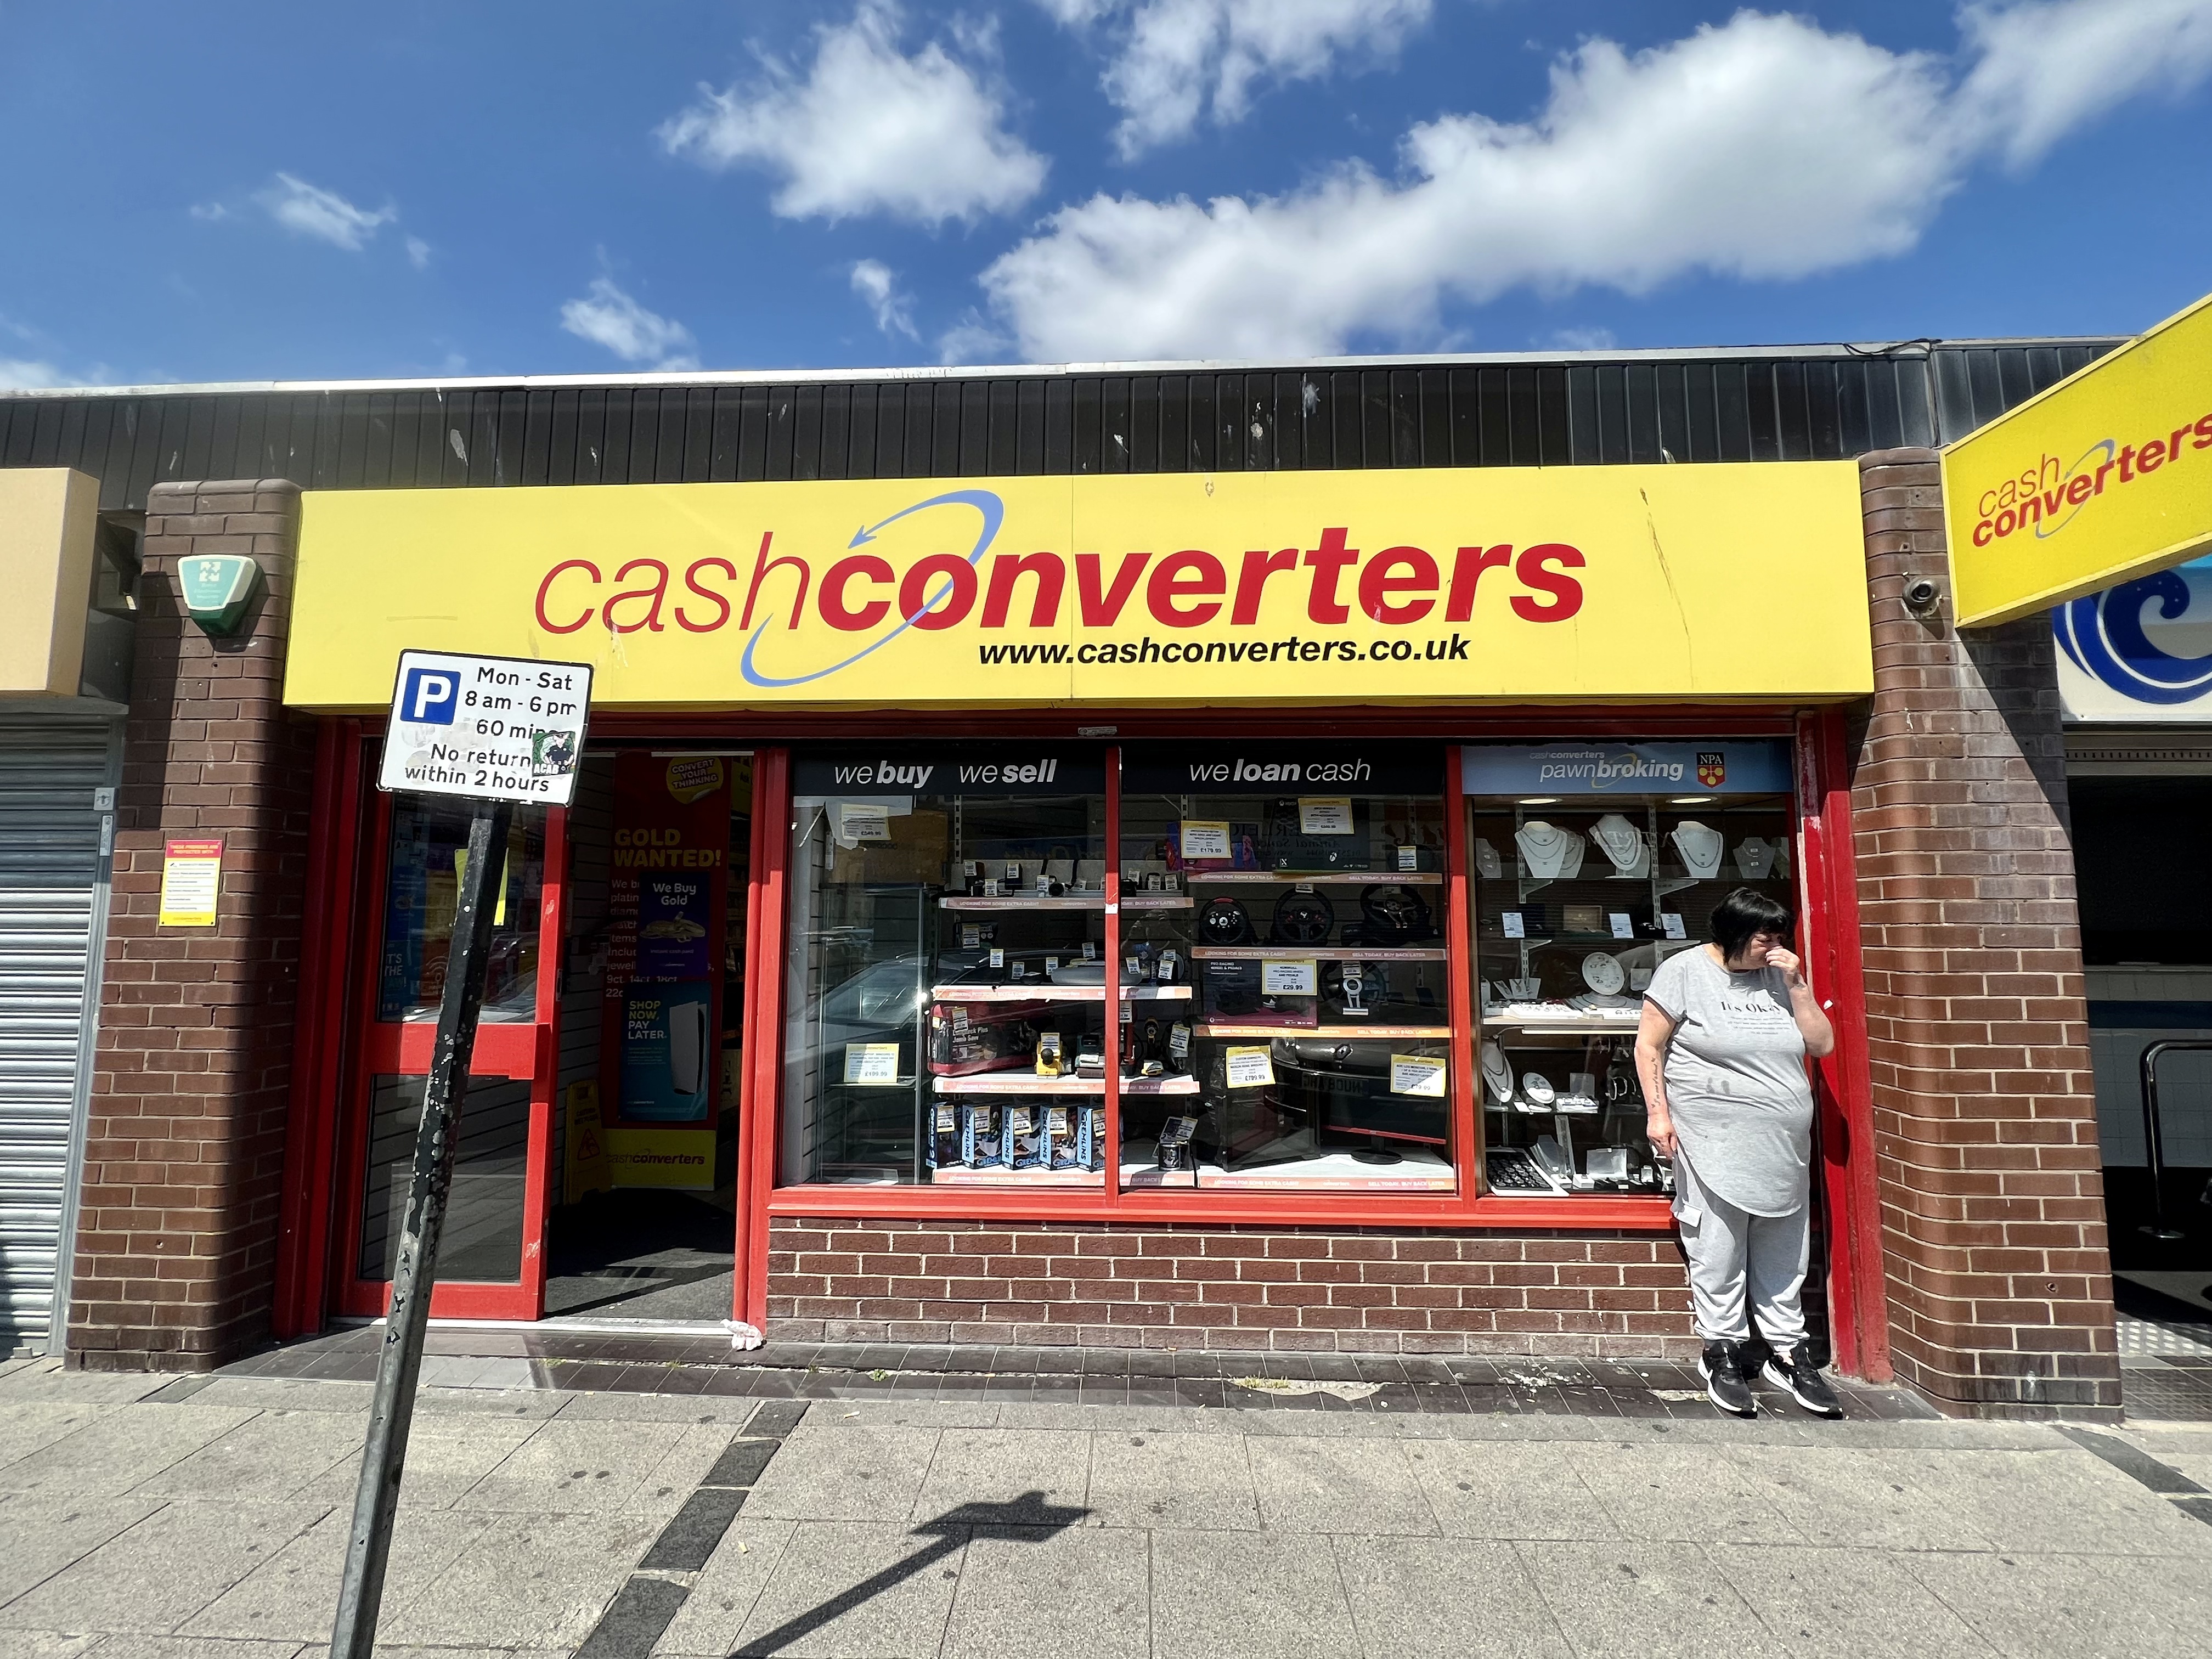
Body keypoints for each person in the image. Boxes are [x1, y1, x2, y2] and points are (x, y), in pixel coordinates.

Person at [1634, 887, 1841, 1418]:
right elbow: (1649, 1045)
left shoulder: (1782, 978)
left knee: (1784, 1249)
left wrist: (1797, 985)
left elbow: (1822, 1045)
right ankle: (1721, 1348)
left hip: (1784, 1145)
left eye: (1779, 938)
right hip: (1713, 1142)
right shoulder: (1684, 972)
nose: (1774, 948)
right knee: (1718, 1247)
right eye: (1764, 939)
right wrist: (1658, 1114)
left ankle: (1787, 1351)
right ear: (1734, 934)